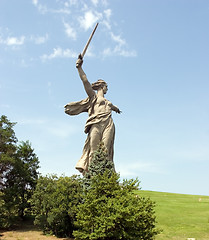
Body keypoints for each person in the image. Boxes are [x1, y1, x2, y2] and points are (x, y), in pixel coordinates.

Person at [65, 55, 121, 174]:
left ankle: (106, 177)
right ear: (101, 86)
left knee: (105, 150)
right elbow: (85, 81)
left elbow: (114, 107)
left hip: (108, 123)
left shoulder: (107, 102)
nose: (107, 89)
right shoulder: (93, 97)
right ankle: (91, 175)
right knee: (94, 150)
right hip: (96, 123)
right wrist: (79, 68)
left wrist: (117, 109)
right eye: (106, 87)